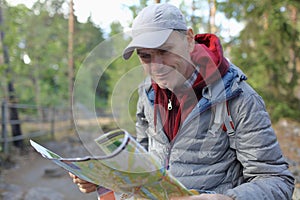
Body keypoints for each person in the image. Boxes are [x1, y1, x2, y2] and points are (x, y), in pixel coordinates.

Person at [70, 3, 295, 200]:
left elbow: (277, 180)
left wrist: (227, 199)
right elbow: (145, 162)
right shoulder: (147, 93)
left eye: (164, 51)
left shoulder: (238, 98)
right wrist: (104, 177)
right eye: (145, 56)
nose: (157, 66)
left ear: (188, 39)